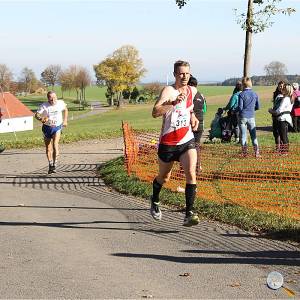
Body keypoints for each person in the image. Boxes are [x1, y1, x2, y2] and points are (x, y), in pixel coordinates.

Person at [150, 60, 200, 227]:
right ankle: (155, 199)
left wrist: (193, 116)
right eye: (181, 73)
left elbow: (190, 107)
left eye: (187, 73)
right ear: (175, 75)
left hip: (186, 140)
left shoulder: (192, 90)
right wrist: (172, 103)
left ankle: (189, 213)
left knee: (191, 172)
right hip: (168, 143)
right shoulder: (168, 91)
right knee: (164, 178)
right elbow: (155, 112)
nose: (184, 76)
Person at [35, 91, 68, 174]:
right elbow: (36, 115)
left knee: (55, 145)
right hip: (47, 128)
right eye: (51, 98)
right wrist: (41, 119)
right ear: (48, 99)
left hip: (57, 127)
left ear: (56, 97)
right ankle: (50, 164)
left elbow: (66, 110)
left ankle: (54, 165)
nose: (53, 100)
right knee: (48, 148)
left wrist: (65, 121)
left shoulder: (60, 103)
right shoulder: (44, 106)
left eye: (54, 97)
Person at [238, 77, 260, 157]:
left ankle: (244, 153)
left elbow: (240, 107)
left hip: (242, 117)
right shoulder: (255, 94)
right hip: (251, 116)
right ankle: (257, 153)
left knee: (243, 136)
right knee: (254, 136)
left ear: (243, 84)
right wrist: (252, 109)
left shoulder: (241, 94)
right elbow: (258, 107)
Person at [268, 83, 294, 154]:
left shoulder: (285, 99)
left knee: (283, 136)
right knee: (284, 136)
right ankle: (284, 151)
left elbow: (279, 110)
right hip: (285, 118)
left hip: (282, 119)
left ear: (287, 90)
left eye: (284, 88)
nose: (282, 89)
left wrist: (271, 111)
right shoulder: (289, 98)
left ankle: (285, 152)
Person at [187, 76, 206, 144]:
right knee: (196, 145)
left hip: (190, 124)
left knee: (188, 147)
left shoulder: (188, 95)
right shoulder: (201, 95)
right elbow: (204, 109)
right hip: (200, 123)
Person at [270, 81, 285, 151]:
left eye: (282, 86)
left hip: (281, 115)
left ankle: (282, 148)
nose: (280, 87)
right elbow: (275, 104)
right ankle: (277, 148)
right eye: (279, 86)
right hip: (274, 114)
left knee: (281, 133)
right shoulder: (275, 94)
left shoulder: (285, 95)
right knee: (275, 132)